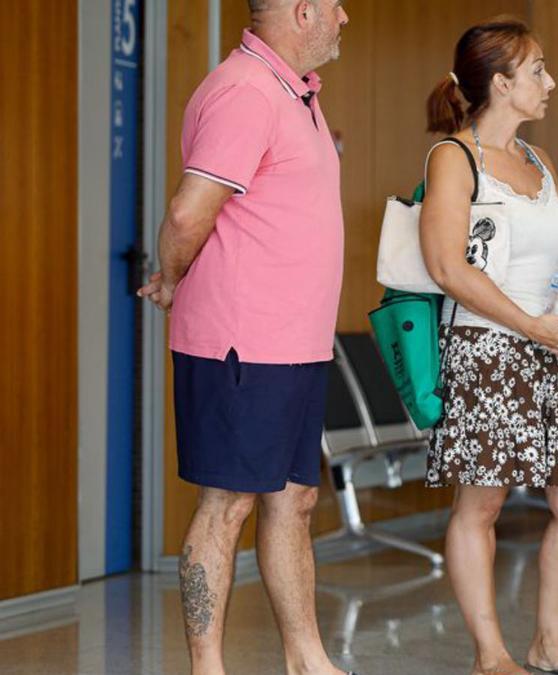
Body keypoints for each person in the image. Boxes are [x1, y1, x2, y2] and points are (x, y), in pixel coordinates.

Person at [136, 1, 351, 673]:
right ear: (303, 11)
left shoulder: (294, 92)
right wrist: (171, 280)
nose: (345, 18)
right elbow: (186, 211)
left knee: (295, 499)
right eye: (336, 6)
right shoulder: (245, 90)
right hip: (241, 344)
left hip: (294, 344)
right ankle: (208, 668)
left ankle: (307, 659)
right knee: (225, 504)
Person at [420, 18, 558, 675]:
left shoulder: (539, 161)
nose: (550, 81)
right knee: (483, 500)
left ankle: (549, 642)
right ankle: (491, 653)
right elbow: (449, 268)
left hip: (552, 348)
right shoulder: (454, 158)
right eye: (538, 70)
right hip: (487, 347)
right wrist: (528, 324)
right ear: (502, 85)